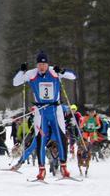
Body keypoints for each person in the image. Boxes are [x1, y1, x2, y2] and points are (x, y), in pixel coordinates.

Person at [12, 51, 77, 180]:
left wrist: (62, 71)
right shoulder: (31, 73)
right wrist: (21, 71)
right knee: (40, 140)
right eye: (40, 64)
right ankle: (42, 170)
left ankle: (64, 168)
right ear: (37, 65)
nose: (42, 67)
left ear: (47, 64)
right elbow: (16, 82)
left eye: (44, 64)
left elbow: (73, 76)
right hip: (40, 111)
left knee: (61, 137)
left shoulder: (54, 71)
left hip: (55, 109)